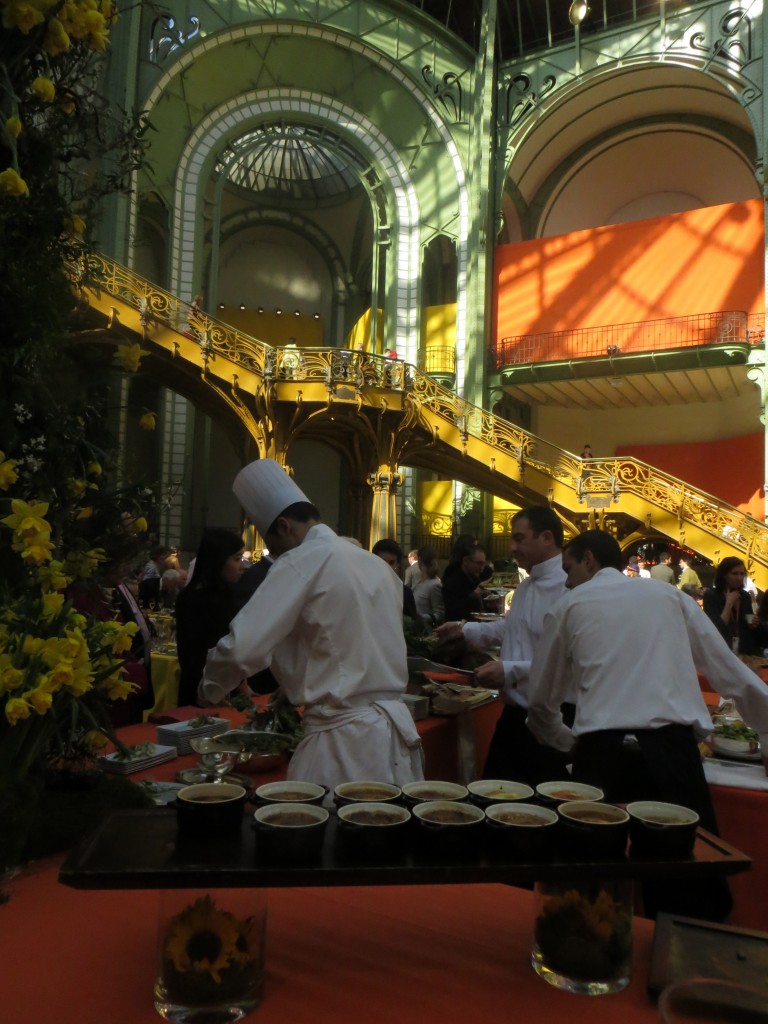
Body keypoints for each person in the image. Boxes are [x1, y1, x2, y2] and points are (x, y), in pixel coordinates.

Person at [526, 529, 768, 921]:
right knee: (685, 892)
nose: (566, 580)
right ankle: (679, 968)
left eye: (569, 568)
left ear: (589, 560)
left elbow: (540, 700)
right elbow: (728, 671)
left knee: (590, 890)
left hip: (601, 758)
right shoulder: (669, 597)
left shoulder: (569, 606)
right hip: (672, 756)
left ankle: (591, 962)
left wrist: (566, 741)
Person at [200, 459, 423, 796]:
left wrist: (210, 687)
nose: (274, 554)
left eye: (272, 542)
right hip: (392, 734)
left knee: (328, 839)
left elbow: (243, 648)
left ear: (285, 526)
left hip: (342, 747)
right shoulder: (376, 565)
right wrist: (295, 684)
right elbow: (350, 645)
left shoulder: (303, 560)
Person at [436, 506, 571, 786]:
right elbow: (510, 630)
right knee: (495, 798)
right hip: (513, 715)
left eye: (519, 539)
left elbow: (569, 663)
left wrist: (510, 671)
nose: (512, 547)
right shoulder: (526, 587)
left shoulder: (569, 587)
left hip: (553, 719)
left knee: (542, 810)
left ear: (546, 537)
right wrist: (464, 630)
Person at [175, 528, 251, 707]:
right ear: (217, 561)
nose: (242, 566)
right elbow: (220, 648)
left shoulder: (196, 595)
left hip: (206, 684)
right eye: (237, 559)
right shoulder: (209, 600)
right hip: (210, 688)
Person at [703, 556, 761, 655]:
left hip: (743, 650)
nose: (739, 578)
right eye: (734, 574)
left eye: (742, 574)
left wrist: (753, 624)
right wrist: (729, 604)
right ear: (724, 575)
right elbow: (715, 628)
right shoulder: (711, 595)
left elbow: (746, 624)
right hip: (721, 649)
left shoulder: (744, 596)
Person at [371, 538, 419, 621]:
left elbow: (412, 623)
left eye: (391, 562)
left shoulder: (405, 592)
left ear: (397, 564)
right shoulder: (364, 588)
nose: (387, 566)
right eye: (383, 561)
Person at [441, 541, 488, 621]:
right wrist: (475, 594)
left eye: (483, 564)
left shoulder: (476, 580)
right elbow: (455, 612)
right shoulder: (452, 582)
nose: (482, 568)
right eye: (479, 563)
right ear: (466, 561)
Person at [411, 546, 444, 628]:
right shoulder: (419, 583)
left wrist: (421, 617)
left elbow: (440, 614)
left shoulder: (435, 585)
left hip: (427, 632)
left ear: (420, 560)